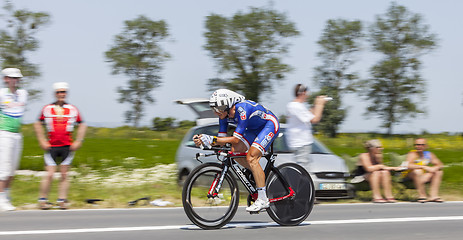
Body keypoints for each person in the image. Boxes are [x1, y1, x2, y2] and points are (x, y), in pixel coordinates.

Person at [193, 89, 279, 212]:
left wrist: (212, 139)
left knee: (252, 158)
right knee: (235, 152)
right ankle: (257, 176)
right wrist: (204, 141)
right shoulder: (223, 115)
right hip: (253, 130)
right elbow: (222, 140)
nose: (216, 112)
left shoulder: (241, 109)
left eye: (219, 108)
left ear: (228, 105)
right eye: (214, 108)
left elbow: (235, 138)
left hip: (269, 125)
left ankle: (263, 199)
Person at [33, 82, 87, 209]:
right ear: (55, 94)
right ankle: (42, 200)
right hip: (51, 146)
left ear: (66, 94)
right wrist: (42, 140)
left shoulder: (73, 109)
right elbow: (37, 123)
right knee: (50, 174)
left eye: (63, 92)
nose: (61, 94)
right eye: (59, 92)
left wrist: (79, 140)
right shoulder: (47, 108)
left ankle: (62, 200)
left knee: (64, 174)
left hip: (67, 146)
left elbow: (82, 124)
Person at [0, 68, 27, 211]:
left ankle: (6, 196)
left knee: (12, 169)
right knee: (4, 168)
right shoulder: (1, 93)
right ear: (6, 79)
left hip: (17, 134)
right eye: (12, 78)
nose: (15, 80)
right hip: (4, 133)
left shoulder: (23, 94)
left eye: (17, 78)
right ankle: (1, 198)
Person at [286, 84, 328, 168]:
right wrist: (320, 104)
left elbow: (308, 115)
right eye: (306, 93)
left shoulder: (294, 106)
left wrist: (315, 105)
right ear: (302, 93)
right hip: (301, 144)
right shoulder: (296, 106)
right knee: (303, 170)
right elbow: (315, 119)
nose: (308, 95)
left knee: (302, 169)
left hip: (299, 143)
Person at [405, 138, 444, 203]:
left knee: (438, 172)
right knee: (417, 171)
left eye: (422, 145)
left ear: (426, 146)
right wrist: (424, 167)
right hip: (410, 176)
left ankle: (433, 196)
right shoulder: (412, 154)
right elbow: (408, 165)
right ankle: (422, 195)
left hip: (422, 176)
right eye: (417, 145)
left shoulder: (429, 154)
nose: (419, 146)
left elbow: (440, 164)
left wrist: (434, 168)